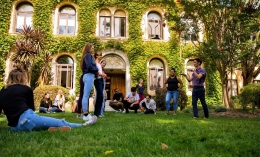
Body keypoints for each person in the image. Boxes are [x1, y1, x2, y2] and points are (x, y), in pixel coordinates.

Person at [0, 68, 97, 132]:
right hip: (28, 120)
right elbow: (32, 109)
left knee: (43, 124)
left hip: (14, 127)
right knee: (59, 122)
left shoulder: (3, 90)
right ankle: (83, 125)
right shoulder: (26, 89)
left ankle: (51, 128)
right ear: (22, 78)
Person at [80, 42, 99, 123]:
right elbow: (89, 66)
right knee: (86, 95)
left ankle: (86, 114)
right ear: (88, 48)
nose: (93, 49)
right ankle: (86, 115)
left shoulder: (87, 56)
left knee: (86, 95)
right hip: (88, 76)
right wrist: (97, 70)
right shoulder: (88, 56)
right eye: (92, 48)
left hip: (88, 76)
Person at [94, 52, 107, 117]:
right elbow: (96, 72)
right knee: (100, 96)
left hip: (101, 80)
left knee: (101, 97)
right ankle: (97, 113)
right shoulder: (95, 63)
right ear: (96, 56)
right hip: (97, 80)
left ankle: (98, 113)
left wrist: (103, 75)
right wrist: (103, 74)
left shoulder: (99, 64)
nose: (101, 56)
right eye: (100, 55)